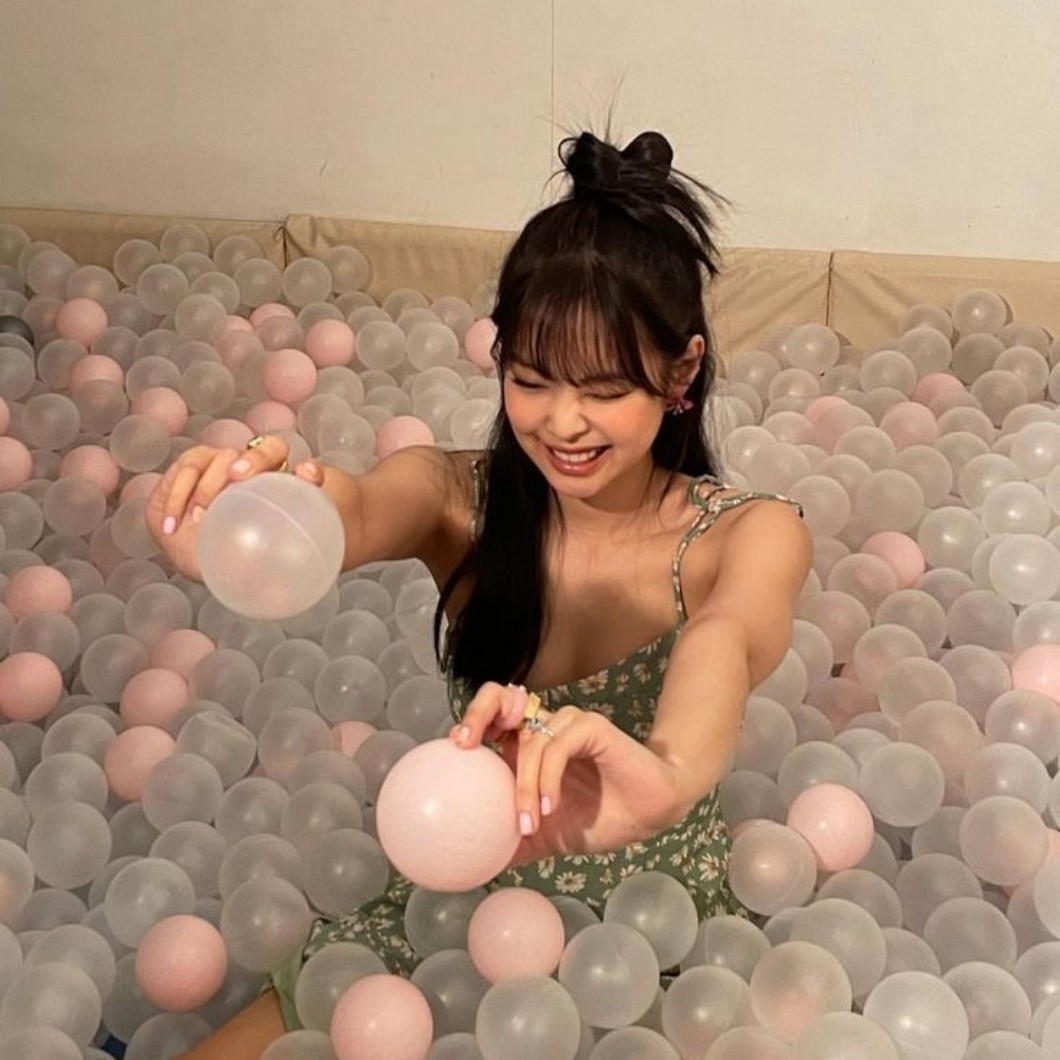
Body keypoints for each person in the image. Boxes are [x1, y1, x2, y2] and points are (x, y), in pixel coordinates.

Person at [147, 129, 812, 1057]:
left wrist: (663, 774)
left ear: (682, 373)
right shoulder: (452, 498)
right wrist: (239, 517)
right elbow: (350, 508)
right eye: (531, 380)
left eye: (604, 390)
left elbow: (724, 641)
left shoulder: (748, 532)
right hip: (461, 892)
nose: (563, 422)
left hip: (649, 938)